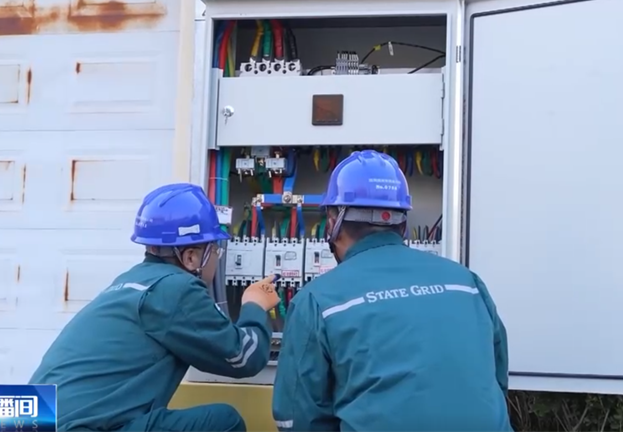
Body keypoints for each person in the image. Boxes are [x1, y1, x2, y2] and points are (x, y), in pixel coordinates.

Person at [271, 150, 513, 432]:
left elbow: (295, 419)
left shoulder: (316, 300)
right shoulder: (467, 282)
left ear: (333, 222)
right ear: (402, 221)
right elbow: (497, 380)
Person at [30, 183, 280, 432]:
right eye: (215, 249)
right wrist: (255, 304)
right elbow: (244, 358)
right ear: (191, 257)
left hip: (24, 421)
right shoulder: (177, 289)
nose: (217, 257)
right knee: (225, 421)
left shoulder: (128, 281)